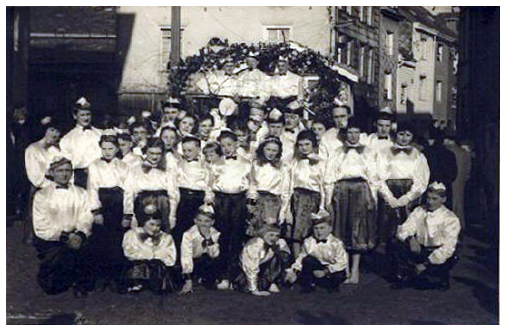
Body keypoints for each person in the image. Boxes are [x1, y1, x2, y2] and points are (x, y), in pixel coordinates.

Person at [32, 157, 96, 298]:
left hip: (77, 236)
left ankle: (79, 283)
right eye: (60, 171)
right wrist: (65, 237)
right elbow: (41, 225)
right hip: (53, 239)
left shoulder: (81, 193)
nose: (64, 174)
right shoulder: (42, 195)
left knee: (86, 251)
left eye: (68, 170)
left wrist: (80, 234)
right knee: (52, 287)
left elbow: (86, 216)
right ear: (52, 173)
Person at [324, 119, 378, 284]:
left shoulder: (367, 152)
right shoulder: (338, 152)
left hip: (360, 190)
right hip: (341, 191)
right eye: (350, 133)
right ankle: (344, 268)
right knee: (341, 228)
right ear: (345, 134)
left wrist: (373, 198)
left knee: (357, 229)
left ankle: (355, 271)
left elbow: (373, 176)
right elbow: (329, 176)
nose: (353, 136)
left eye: (356, 133)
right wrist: (328, 199)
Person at [376, 122, 430, 275]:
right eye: (401, 134)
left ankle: (409, 266)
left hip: (409, 194)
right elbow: (378, 177)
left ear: (412, 137)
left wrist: (407, 198)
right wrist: (389, 197)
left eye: (408, 135)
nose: (404, 138)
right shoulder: (384, 152)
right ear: (395, 134)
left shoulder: (418, 155)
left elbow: (421, 181)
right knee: (390, 228)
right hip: (390, 192)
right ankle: (391, 267)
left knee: (409, 228)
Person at [391, 182, 461, 291]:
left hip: (436, 254)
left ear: (443, 200)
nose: (430, 202)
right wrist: (410, 238)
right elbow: (404, 228)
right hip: (419, 249)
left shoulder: (450, 219)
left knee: (432, 281)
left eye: (435, 199)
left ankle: (439, 276)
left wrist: (426, 264)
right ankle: (404, 275)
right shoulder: (419, 211)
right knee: (395, 241)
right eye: (428, 198)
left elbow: (448, 248)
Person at [209, 130, 253, 290]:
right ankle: (223, 275)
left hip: (239, 200)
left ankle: (236, 277)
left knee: (237, 237)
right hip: (222, 200)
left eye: (229, 145)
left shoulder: (246, 163)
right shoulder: (216, 163)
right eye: (223, 146)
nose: (227, 148)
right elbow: (210, 184)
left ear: (237, 144)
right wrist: (210, 199)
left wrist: (250, 201)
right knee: (223, 236)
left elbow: (252, 183)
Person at [87, 134, 129, 291]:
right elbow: (92, 189)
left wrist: (127, 214)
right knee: (101, 241)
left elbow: (129, 190)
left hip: (118, 204)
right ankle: (101, 277)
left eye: (111, 148)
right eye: (104, 148)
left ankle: (116, 277)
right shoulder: (94, 165)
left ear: (117, 148)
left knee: (117, 241)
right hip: (102, 202)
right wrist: (96, 211)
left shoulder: (123, 166)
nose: (107, 152)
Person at [123, 138, 179, 232]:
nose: (155, 157)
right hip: (142, 203)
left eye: (158, 153)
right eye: (151, 153)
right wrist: (130, 215)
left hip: (163, 205)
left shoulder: (169, 171)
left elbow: (174, 195)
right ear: (145, 152)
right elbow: (129, 193)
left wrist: (172, 216)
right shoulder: (134, 170)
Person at [285, 212, 348, 293]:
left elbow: (342, 262)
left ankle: (329, 285)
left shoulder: (336, 243)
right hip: (316, 266)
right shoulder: (308, 242)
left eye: (322, 228)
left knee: (339, 276)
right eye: (316, 228)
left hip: (331, 269)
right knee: (307, 260)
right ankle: (310, 285)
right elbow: (301, 258)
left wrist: (326, 272)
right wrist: (294, 271)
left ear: (330, 229)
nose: (319, 232)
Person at [24, 118, 64, 244]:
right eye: (52, 130)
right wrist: (53, 184)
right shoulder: (33, 149)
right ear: (45, 131)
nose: (55, 134)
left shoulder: (57, 150)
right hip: (40, 189)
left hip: (57, 188)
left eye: (58, 131)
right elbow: (35, 177)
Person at [122, 204, 177, 294]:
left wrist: (155, 259)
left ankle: (156, 285)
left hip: (158, 271)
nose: (155, 228)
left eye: (158, 225)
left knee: (158, 267)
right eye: (151, 224)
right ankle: (136, 284)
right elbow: (129, 253)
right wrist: (149, 256)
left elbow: (171, 259)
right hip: (138, 268)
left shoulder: (166, 238)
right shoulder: (132, 234)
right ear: (143, 222)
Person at [288, 130, 326, 256]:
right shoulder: (294, 162)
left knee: (309, 231)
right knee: (296, 232)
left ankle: (309, 262)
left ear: (313, 145)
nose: (304, 148)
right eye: (301, 145)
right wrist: (288, 207)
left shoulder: (320, 163)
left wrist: (322, 206)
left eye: (307, 144)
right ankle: (296, 264)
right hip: (297, 197)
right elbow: (290, 184)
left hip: (312, 198)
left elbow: (323, 186)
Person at [173, 135, 213, 246]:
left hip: (198, 197)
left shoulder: (206, 165)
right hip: (183, 196)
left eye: (190, 150)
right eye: (184, 150)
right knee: (180, 227)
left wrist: (208, 198)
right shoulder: (179, 164)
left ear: (199, 150)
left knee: (196, 227)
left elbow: (209, 183)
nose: (186, 153)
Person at [247, 137, 291, 236]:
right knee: (255, 229)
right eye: (268, 149)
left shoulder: (283, 167)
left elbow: (285, 190)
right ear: (262, 149)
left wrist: (283, 211)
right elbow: (252, 183)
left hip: (273, 202)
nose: (271, 153)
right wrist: (252, 200)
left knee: (269, 230)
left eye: (274, 150)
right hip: (258, 200)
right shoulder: (256, 164)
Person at [234, 224, 291, 296]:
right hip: (245, 274)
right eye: (271, 235)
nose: (274, 238)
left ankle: (270, 282)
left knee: (280, 255)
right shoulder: (255, 245)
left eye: (277, 236)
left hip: (261, 273)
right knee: (245, 286)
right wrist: (254, 290)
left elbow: (285, 256)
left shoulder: (274, 244)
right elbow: (251, 268)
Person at [60, 97, 103, 189]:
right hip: (80, 178)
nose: (86, 118)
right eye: (82, 115)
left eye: (88, 114)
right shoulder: (67, 139)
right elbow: (68, 162)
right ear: (75, 116)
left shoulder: (100, 134)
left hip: (100, 175)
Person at [180, 203, 221, 294]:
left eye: (207, 221)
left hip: (206, 261)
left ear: (212, 222)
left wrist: (208, 238)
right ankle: (192, 279)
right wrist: (188, 279)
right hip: (192, 261)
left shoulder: (215, 233)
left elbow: (214, 254)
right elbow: (186, 255)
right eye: (200, 220)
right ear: (195, 221)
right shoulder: (188, 235)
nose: (203, 224)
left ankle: (207, 279)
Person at [423, 129, 457, 207]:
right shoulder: (450, 154)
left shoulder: (425, 152)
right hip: (445, 187)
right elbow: (454, 174)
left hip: (429, 186)